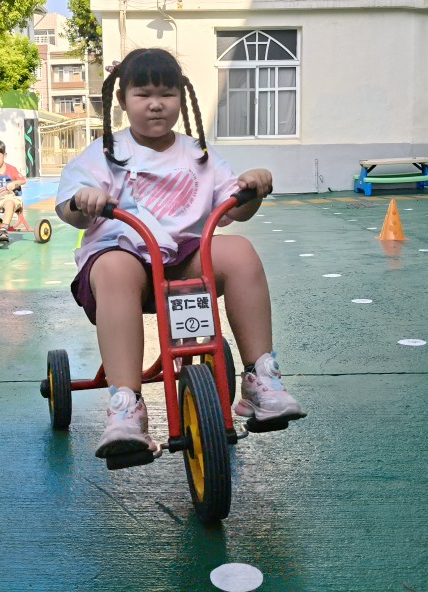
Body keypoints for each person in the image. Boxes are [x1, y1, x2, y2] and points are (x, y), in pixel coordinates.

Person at [55, 47, 305, 459]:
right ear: (122, 101)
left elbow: (235, 209)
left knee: (240, 251)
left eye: (167, 94)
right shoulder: (105, 153)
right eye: (143, 94)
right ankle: (126, 406)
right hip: (124, 262)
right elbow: (69, 212)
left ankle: (260, 378)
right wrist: (84, 200)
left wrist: (252, 189)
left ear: (182, 98)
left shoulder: (198, 153)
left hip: (182, 261)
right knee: (115, 267)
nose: (155, 104)